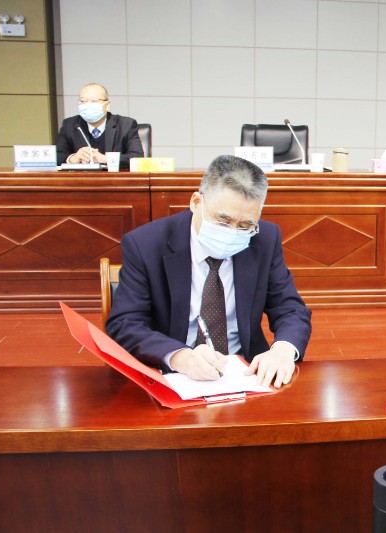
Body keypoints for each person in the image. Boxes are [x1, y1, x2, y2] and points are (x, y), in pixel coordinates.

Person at [106, 155, 312, 386]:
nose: (232, 233)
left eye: (245, 225)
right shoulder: (146, 244)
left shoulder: (264, 238)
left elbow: (290, 309)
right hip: (173, 375)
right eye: (223, 221)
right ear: (196, 202)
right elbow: (125, 323)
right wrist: (178, 356)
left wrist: (283, 350)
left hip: (245, 373)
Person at [56, 83, 144, 169]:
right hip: (82, 178)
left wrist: (105, 159)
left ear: (107, 105)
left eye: (94, 101)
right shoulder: (70, 124)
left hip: (114, 178)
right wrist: (72, 158)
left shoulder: (126, 125)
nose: (88, 105)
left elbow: (137, 157)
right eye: (83, 101)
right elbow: (56, 155)